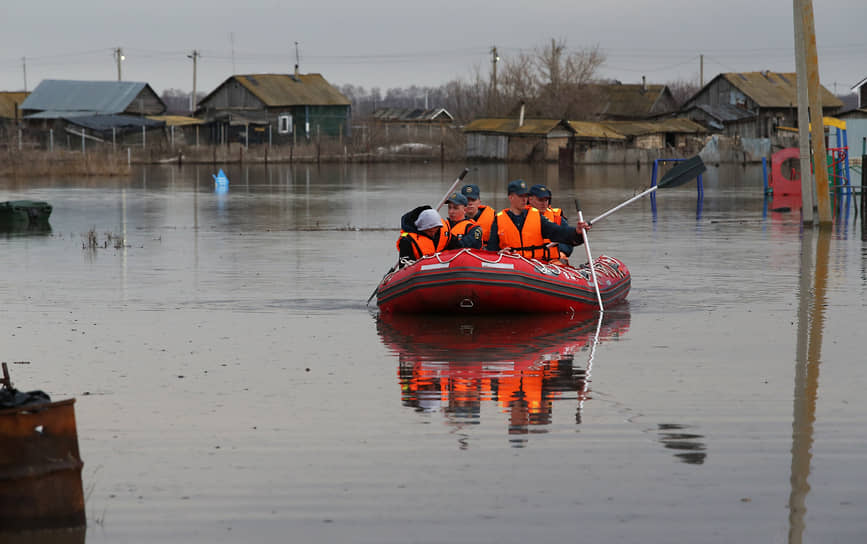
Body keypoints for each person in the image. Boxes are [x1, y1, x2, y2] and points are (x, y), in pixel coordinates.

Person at [486, 179, 590, 262]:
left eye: (525, 196)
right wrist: (499, 253)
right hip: (511, 265)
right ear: (511, 197)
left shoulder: (536, 217)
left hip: (535, 265)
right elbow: (491, 250)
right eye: (520, 196)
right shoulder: (499, 219)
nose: (524, 200)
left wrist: (576, 232)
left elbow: (557, 232)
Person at [396, 205, 467, 263]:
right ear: (422, 229)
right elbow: (404, 267)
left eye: (435, 231)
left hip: (443, 268)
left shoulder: (444, 232)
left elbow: (458, 248)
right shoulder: (407, 241)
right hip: (421, 274)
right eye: (430, 232)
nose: (433, 234)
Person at [528, 184, 572, 266]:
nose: (544, 203)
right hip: (527, 261)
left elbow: (568, 241)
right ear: (530, 199)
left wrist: (561, 251)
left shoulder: (557, 218)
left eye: (546, 200)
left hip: (552, 262)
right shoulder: (519, 217)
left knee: (562, 258)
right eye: (540, 200)